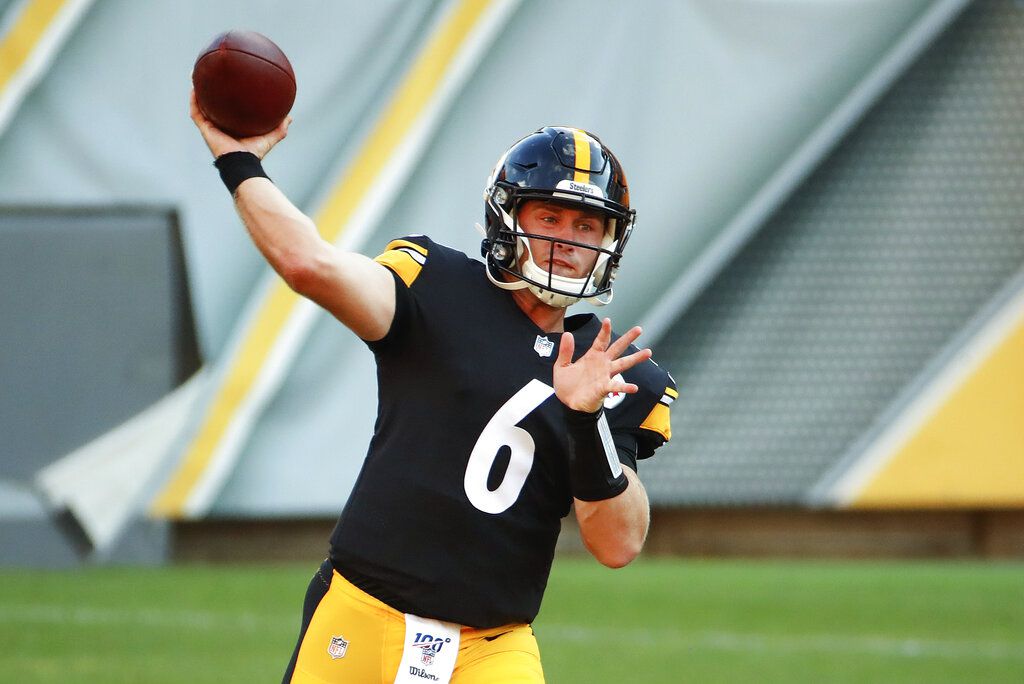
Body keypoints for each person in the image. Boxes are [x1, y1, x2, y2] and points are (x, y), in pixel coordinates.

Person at [190, 92, 676, 684]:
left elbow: (619, 544)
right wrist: (239, 162)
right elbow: (308, 264)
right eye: (548, 217)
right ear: (509, 217)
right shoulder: (435, 283)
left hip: (493, 646)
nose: (567, 241)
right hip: (363, 611)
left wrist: (584, 418)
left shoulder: (615, 370)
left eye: (586, 225)